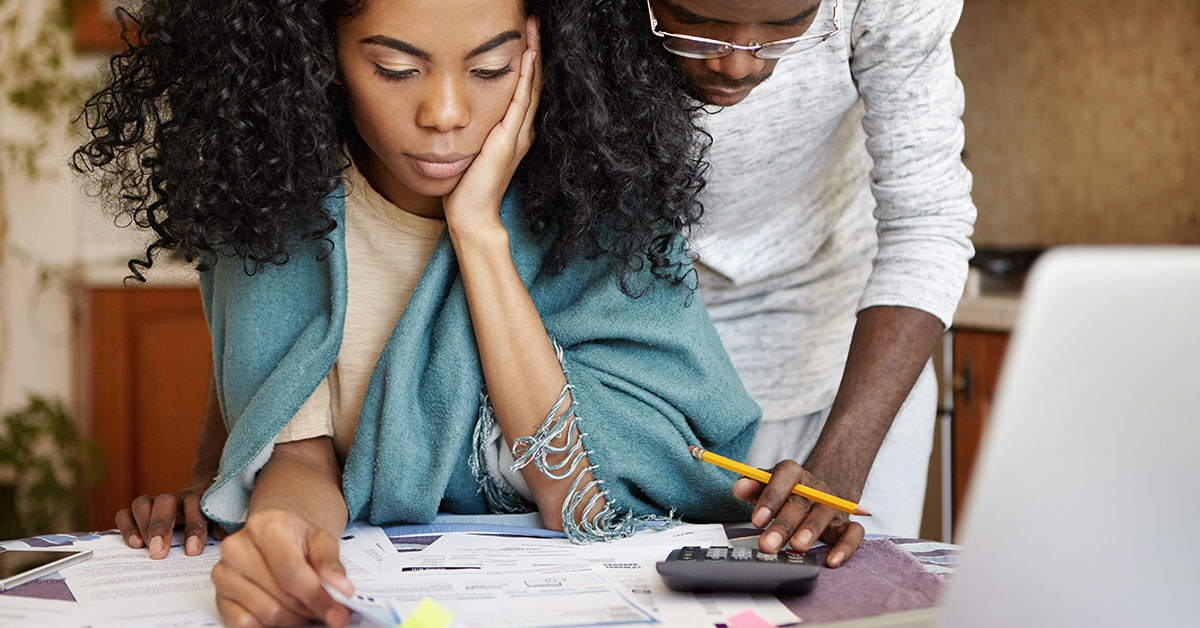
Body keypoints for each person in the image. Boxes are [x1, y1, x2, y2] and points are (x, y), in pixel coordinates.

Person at [73, 0, 763, 625]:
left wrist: (478, 232)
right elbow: (298, 458)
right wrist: (281, 535)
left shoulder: (605, 204)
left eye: (492, 68)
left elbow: (578, 496)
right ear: (322, 53)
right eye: (395, 68)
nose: (445, 112)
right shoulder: (272, 201)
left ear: (548, 53)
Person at [630, 0, 978, 565]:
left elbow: (926, 222)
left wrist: (841, 464)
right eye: (697, 20)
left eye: (785, 26)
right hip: (640, 352)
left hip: (847, 357)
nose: (738, 64)